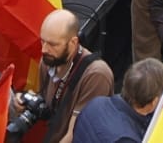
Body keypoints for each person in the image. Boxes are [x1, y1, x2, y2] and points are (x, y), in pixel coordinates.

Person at [28, 9, 114, 143]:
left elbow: (75, 135)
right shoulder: (48, 61)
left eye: (52, 44)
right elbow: (47, 108)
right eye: (42, 41)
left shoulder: (96, 75)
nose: (44, 49)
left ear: (73, 43)